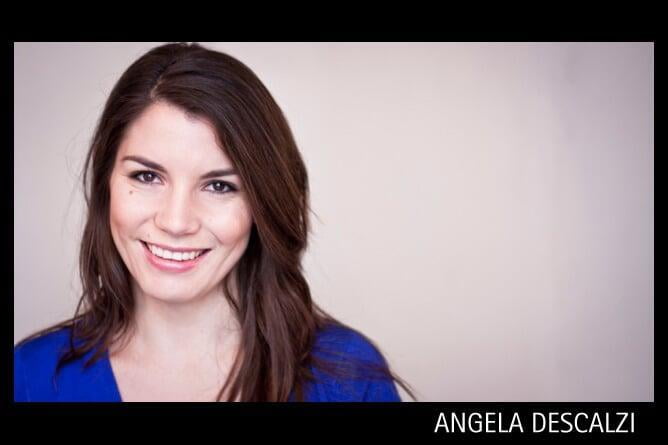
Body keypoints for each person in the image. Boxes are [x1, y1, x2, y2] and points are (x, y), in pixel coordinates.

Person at [14, 42, 416, 402]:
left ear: (262, 204)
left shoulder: (349, 379)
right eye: (147, 176)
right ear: (106, 186)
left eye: (220, 186)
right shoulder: (30, 378)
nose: (175, 221)